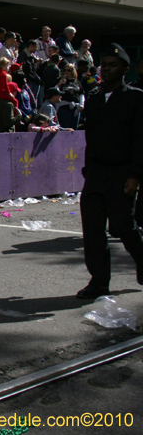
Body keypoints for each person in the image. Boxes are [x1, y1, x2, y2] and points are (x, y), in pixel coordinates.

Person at [77, 44, 143, 299]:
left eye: (113, 65)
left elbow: (140, 139)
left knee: (123, 226)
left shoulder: (136, 98)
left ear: (125, 69)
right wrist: (87, 169)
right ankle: (99, 282)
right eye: (104, 65)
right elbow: (91, 139)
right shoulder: (94, 100)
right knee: (93, 230)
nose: (106, 70)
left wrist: (135, 175)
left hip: (122, 173)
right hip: (95, 173)